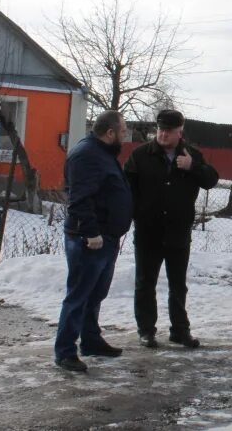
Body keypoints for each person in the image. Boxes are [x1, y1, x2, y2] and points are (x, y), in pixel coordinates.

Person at [124, 109, 218, 349]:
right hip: (148, 232)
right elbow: (127, 189)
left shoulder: (191, 155)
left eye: (169, 131)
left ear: (180, 132)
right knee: (145, 283)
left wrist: (192, 167)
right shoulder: (141, 155)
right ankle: (146, 331)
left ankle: (180, 330)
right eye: (160, 129)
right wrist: (136, 215)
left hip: (178, 232)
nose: (163, 134)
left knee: (178, 284)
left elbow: (211, 179)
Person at [54, 110, 133, 372]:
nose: (124, 136)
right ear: (109, 133)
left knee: (95, 293)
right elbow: (79, 198)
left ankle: (90, 340)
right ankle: (65, 351)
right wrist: (91, 233)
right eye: (122, 131)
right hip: (89, 240)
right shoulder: (87, 155)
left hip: (106, 238)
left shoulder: (102, 154)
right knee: (79, 295)